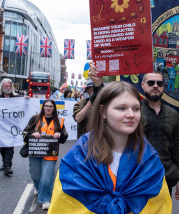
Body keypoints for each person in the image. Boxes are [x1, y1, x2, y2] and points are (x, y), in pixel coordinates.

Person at [48, 82, 171, 213]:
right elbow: (65, 203)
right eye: (121, 108)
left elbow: (159, 204)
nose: (131, 114)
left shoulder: (149, 156)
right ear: (103, 112)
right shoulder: (81, 152)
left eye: (136, 108)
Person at [141, 71, 179, 199]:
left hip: (165, 179)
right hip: (138, 179)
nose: (155, 86)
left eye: (159, 83)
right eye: (151, 83)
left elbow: (176, 148)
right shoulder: (134, 111)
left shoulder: (172, 114)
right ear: (143, 85)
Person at [22, 99, 68, 210]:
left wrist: (59, 134)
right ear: (43, 107)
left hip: (51, 154)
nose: (48, 108)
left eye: (51, 106)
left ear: (54, 108)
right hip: (35, 152)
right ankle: (38, 187)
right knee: (35, 174)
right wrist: (33, 134)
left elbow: (65, 135)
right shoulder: (35, 118)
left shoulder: (59, 121)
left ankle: (45, 199)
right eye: (46, 106)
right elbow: (24, 132)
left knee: (47, 176)